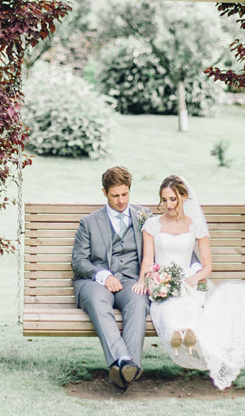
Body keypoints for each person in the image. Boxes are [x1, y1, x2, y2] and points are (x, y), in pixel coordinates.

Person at [131, 174, 245, 389]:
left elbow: (207, 266)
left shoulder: (195, 226)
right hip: (162, 281)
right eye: (164, 199)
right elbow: (148, 259)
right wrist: (145, 280)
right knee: (168, 308)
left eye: (173, 199)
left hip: (189, 281)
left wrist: (194, 278)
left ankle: (191, 333)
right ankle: (176, 334)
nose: (168, 205)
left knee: (190, 306)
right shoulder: (152, 225)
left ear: (184, 197)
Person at [71, 166, 151, 392]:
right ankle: (126, 362)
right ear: (104, 192)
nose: (121, 200)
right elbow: (78, 261)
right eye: (115, 195)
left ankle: (124, 367)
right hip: (95, 282)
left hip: (130, 281)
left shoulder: (144, 216)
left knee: (138, 302)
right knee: (98, 303)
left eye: (125, 194)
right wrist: (104, 275)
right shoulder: (89, 222)